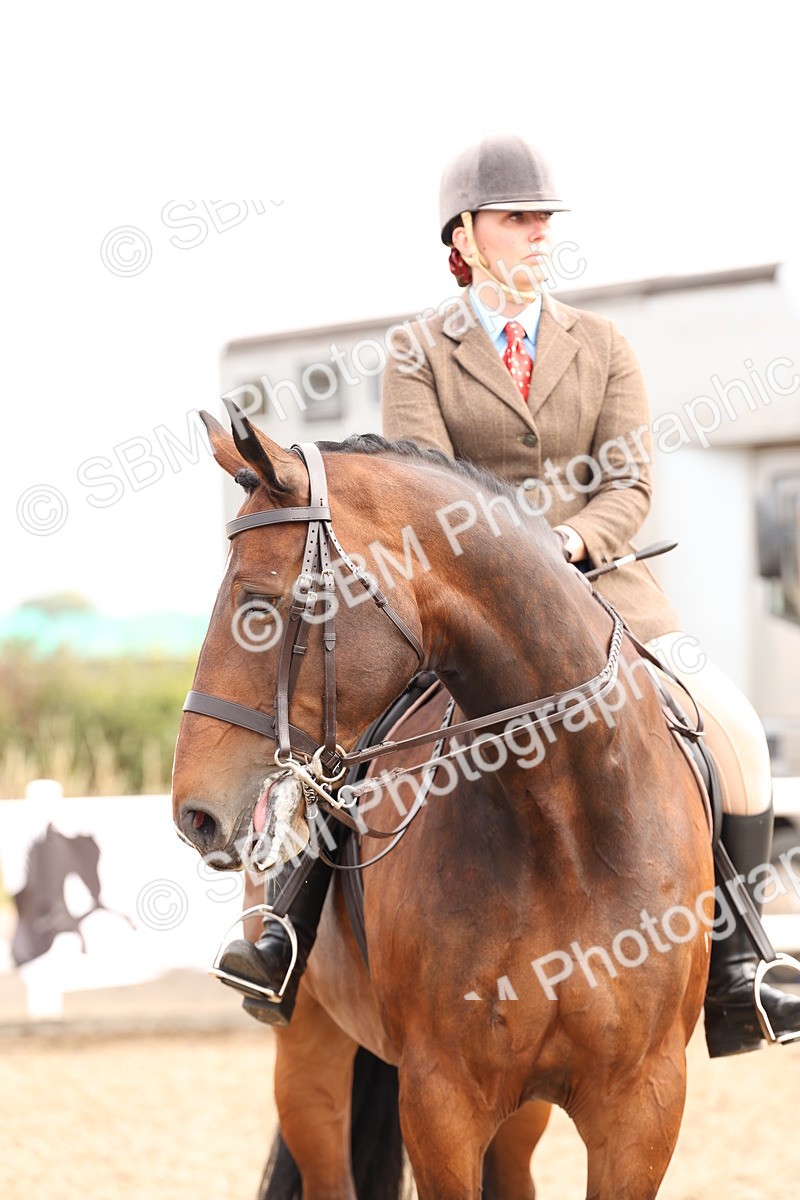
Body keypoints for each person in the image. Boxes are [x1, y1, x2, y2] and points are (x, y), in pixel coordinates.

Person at [218, 133, 800, 1056]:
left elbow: (631, 487)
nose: (538, 235)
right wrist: (514, 563)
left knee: (728, 730)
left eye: (543, 220)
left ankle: (741, 962)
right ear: (466, 233)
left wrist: (572, 540)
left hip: (612, 593)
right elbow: (426, 485)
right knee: (350, 741)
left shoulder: (603, 345)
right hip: (465, 614)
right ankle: (286, 932)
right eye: (517, 220)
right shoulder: (419, 351)